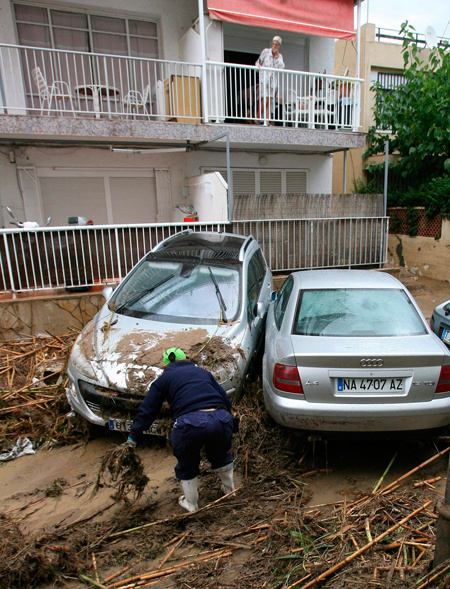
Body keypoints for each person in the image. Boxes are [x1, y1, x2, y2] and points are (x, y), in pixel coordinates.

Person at [125, 347, 235, 513]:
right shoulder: (203, 373)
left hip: (190, 423)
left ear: (167, 364)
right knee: (221, 454)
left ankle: (192, 504)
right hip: (220, 418)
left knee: (187, 461)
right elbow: (225, 399)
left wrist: (133, 436)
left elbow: (148, 410)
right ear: (186, 360)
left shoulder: (164, 379)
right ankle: (230, 492)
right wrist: (232, 424)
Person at [256, 35, 284, 125]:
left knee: (270, 101)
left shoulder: (279, 57)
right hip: (264, 79)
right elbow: (258, 62)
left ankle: (266, 121)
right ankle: (257, 116)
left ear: (279, 46)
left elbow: (282, 67)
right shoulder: (265, 52)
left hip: (273, 82)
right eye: (273, 44)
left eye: (276, 45)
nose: (274, 46)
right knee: (265, 100)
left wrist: (276, 55)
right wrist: (258, 66)